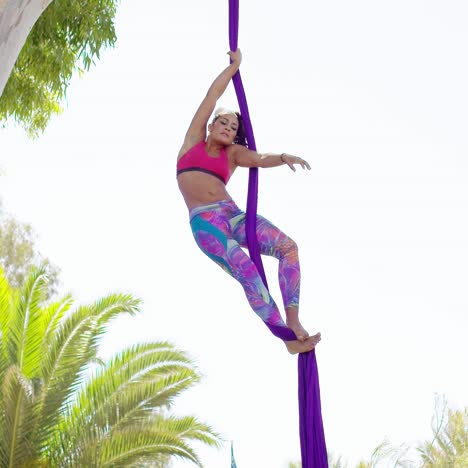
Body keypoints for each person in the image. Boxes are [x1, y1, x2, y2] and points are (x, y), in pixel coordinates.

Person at [176, 49, 321, 354]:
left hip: (232, 215)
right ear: (212, 125)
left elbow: (259, 158)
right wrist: (234, 67)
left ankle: (294, 322)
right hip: (205, 223)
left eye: (233, 129)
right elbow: (212, 96)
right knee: (247, 270)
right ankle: (286, 338)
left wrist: (282, 157)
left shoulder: (233, 156)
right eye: (224, 124)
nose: (229, 129)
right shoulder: (193, 142)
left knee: (288, 247)